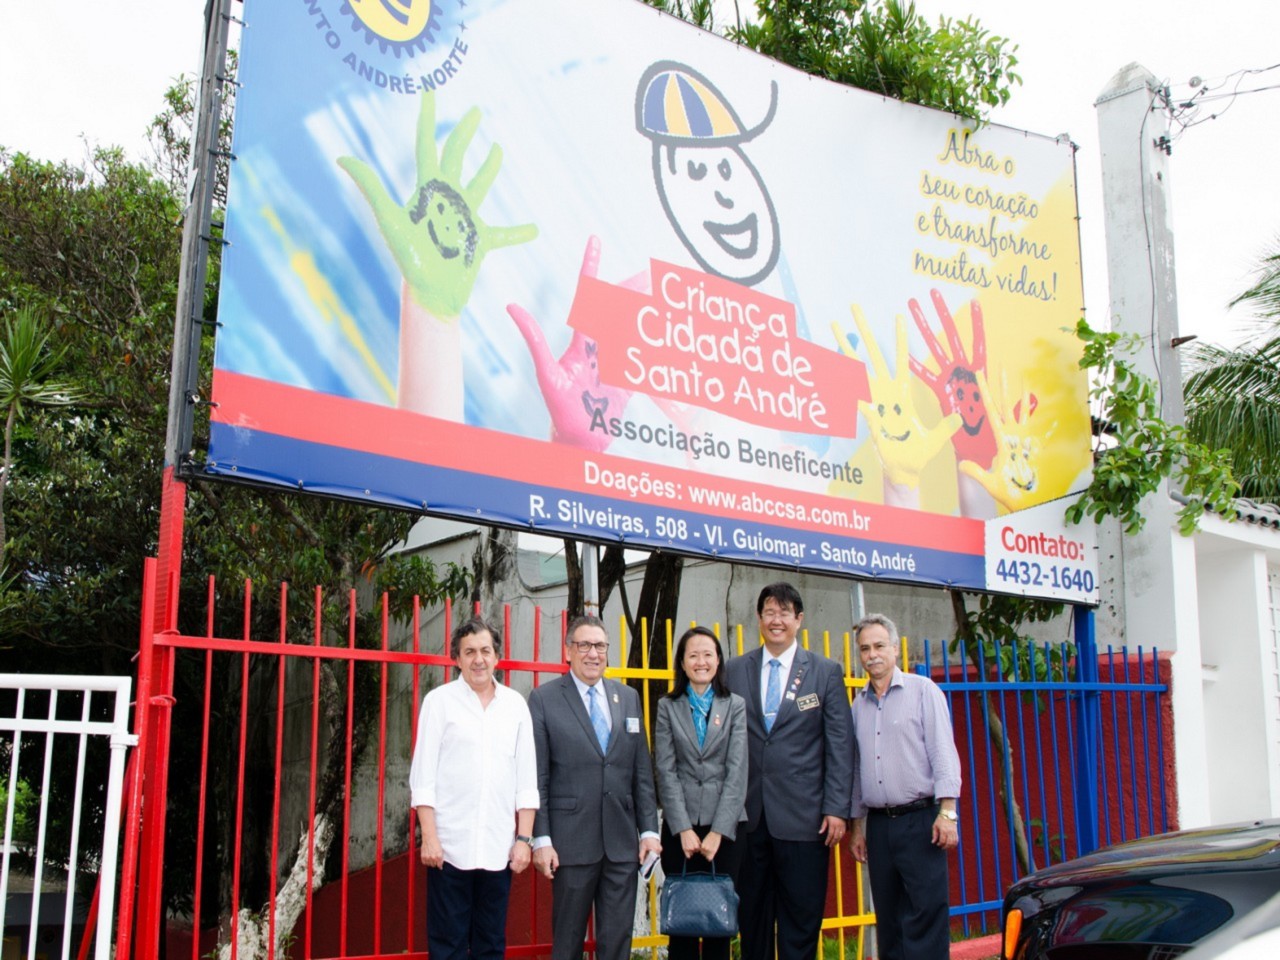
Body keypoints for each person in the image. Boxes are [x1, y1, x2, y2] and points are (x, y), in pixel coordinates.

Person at [724, 582, 854, 960]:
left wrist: (836, 808)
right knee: (753, 921)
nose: (776, 620)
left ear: (799, 619)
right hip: (749, 819)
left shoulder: (825, 672)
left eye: (784, 612)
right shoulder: (735, 670)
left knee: (801, 921)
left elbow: (840, 745)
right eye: (769, 612)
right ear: (759, 618)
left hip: (805, 820)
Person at [529, 615, 661, 960]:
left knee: (617, 943)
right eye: (584, 645)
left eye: (600, 646)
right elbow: (538, 776)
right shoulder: (544, 699)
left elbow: (641, 770)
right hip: (570, 844)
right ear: (568, 651)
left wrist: (649, 831)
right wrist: (541, 839)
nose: (593, 653)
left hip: (621, 844)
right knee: (567, 942)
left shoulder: (627, 697)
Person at [408, 617, 539, 960]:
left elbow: (527, 779)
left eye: (485, 651)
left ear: (497, 657)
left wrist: (524, 840)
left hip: (498, 850)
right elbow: (423, 777)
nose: (478, 659)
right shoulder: (439, 702)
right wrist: (429, 837)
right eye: (469, 652)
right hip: (449, 849)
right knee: (447, 946)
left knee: (491, 945)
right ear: (457, 659)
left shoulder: (515, 706)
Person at [848, 613, 962, 960]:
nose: (872, 655)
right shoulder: (858, 705)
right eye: (865, 648)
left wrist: (948, 812)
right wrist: (857, 827)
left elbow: (943, 752)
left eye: (879, 646)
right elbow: (857, 768)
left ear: (895, 649)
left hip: (921, 821)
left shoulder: (923, 691)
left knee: (926, 912)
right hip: (879, 826)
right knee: (889, 918)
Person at [654, 626, 749, 960]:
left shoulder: (734, 705)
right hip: (681, 831)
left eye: (708, 654)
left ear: (718, 660)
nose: (701, 661)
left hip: (726, 830)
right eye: (693, 655)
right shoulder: (667, 706)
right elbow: (665, 770)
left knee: (717, 924)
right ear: (682, 662)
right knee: (681, 925)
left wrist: (719, 832)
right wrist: (682, 828)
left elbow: (737, 771)